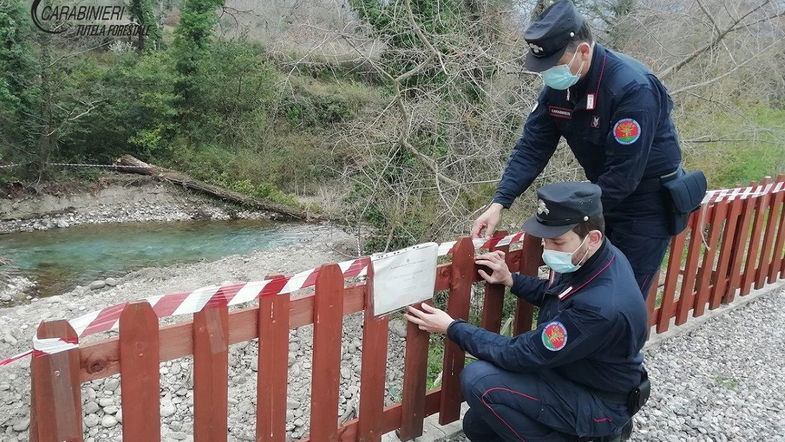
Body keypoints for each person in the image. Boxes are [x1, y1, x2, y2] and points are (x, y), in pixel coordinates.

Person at [471, 0, 686, 298]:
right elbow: (532, 147)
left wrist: (572, 219)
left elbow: (624, 176)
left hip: (645, 205)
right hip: (600, 197)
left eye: (554, 66)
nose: (548, 75)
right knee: (574, 292)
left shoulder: (632, 89)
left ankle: (621, 347)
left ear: (583, 51)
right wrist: (499, 202)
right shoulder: (559, 89)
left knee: (619, 299)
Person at [407, 182, 649, 441]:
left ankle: (596, 434)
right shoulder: (596, 259)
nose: (548, 250)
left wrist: (452, 327)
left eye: (557, 241)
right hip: (573, 374)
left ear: (592, 238)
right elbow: (559, 293)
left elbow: (519, 353)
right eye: (545, 240)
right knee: (478, 425)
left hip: (599, 401)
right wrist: (512, 280)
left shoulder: (600, 307)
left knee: (480, 382)